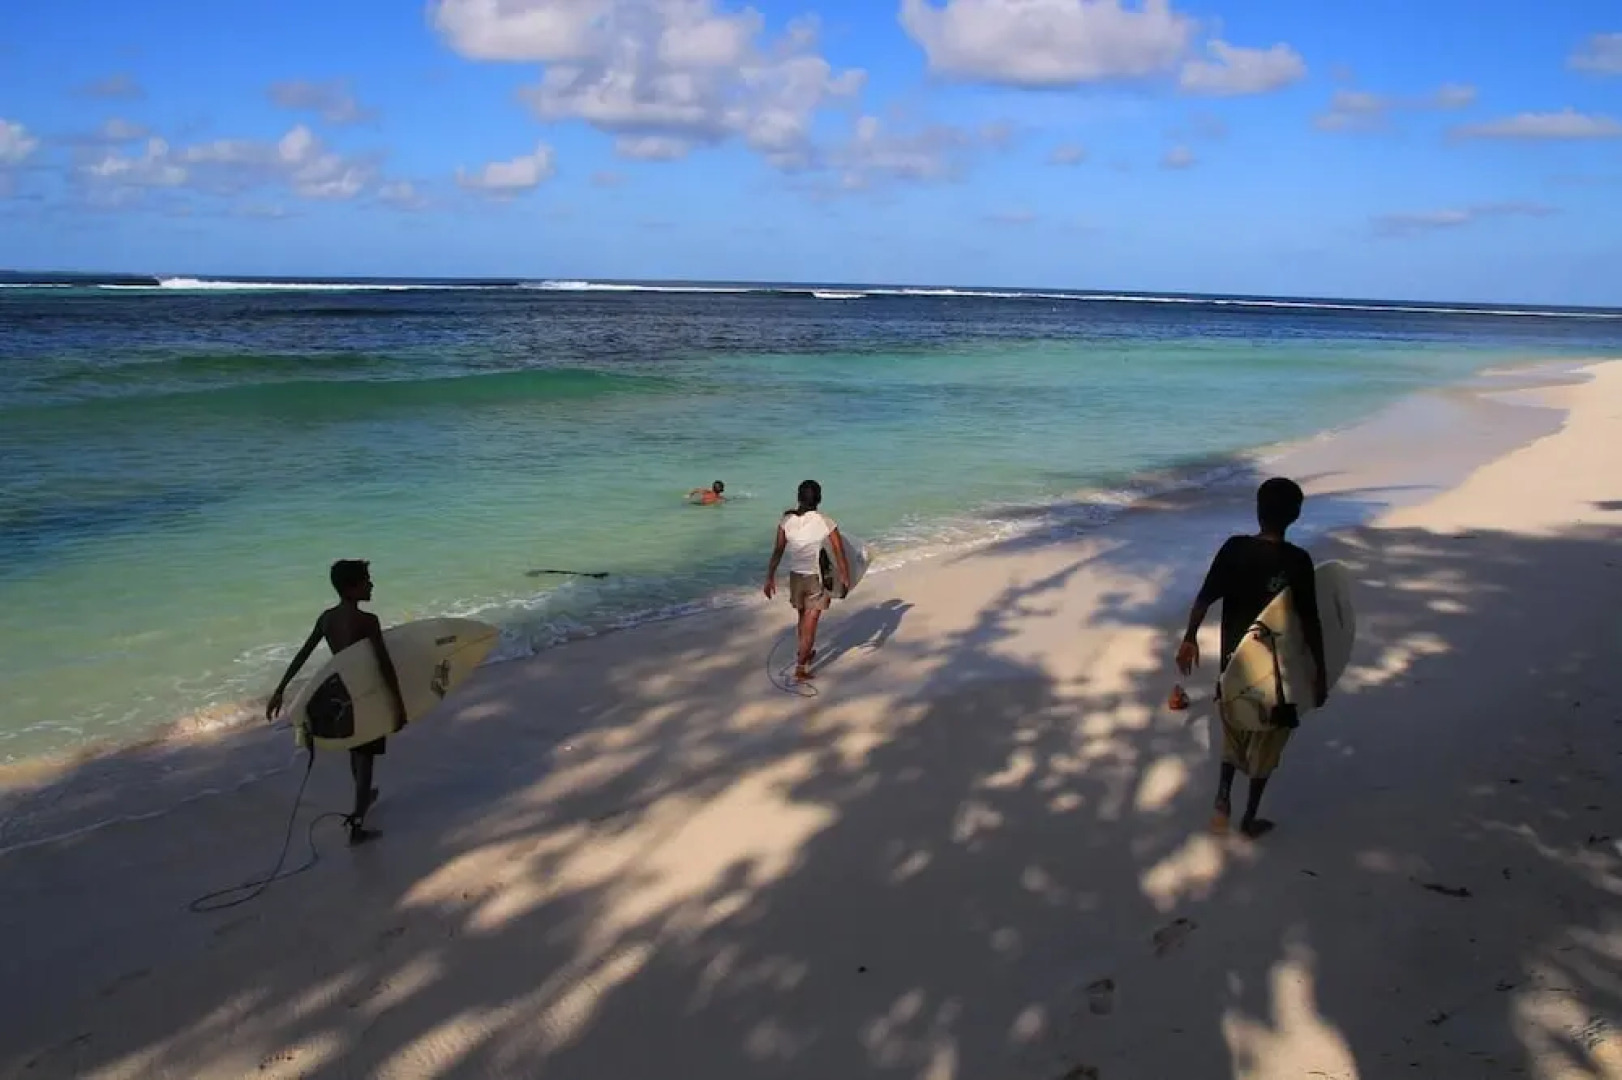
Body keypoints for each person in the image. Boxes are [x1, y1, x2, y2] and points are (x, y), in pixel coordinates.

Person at [1175, 478, 1327, 840]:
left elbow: (1203, 598)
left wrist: (1190, 637)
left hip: (1233, 668)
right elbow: (1310, 623)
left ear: (1257, 510)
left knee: (1233, 733)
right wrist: (1320, 673)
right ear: (1296, 515)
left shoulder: (1234, 549)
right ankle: (1249, 819)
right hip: (1279, 678)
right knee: (1267, 748)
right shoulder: (1298, 562)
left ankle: (1222, 798)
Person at [266, 559, 407, 846]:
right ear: (352, 587)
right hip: (366, 693)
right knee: (366, 756)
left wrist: (280, 688)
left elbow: (303, 653)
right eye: (366, 580)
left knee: (356, 749)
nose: (371, 584)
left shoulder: (326, 618)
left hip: (342, 694)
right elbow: (383, 665)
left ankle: (363, 797)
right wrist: (399, 705)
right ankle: (357, 824)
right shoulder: (368, 621)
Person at [764, 480, 850, 682]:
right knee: (810, 624)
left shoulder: (786, 521)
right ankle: (801, 667)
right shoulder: (825, 521)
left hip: (796, 578)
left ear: (799, 497)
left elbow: (778, 551)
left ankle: (804, 652)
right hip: (816, 579)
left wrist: (770, 577)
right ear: (819, 498)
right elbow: (839, 550)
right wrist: (845, 577)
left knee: (802, 619)